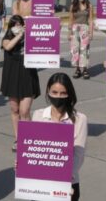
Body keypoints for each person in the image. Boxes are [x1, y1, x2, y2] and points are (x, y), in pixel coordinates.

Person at [32, 73, 88, 201]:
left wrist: (61, 177)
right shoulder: (38, 115)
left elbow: (78, 155)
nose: (58, 96)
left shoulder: (80, 119)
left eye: (63, 93)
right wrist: (23, 164)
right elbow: (33, 149)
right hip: (40, 183)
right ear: (48, 91)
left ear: (69, 94)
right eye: (55, 92)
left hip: (67, 183)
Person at [0, 15, 40, 151]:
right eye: (14, 25)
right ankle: (18, 138)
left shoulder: (29, 36)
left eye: (19, 24)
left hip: (27, 75)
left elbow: (45, 42)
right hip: (12, 76)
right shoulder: (6, 38)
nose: (17, 27)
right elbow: (8, 47)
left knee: (24, 110)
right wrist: (19, 35)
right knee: (15, 109)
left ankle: (27, 138)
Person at [68, 0, 94, 80]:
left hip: (85, 28)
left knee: (84, 50)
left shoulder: (89, 5)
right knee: (75, 49)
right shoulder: (73, 6)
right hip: (75, 29)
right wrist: (69, 32)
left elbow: (91, 19)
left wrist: (91, 32)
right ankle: (77, 69)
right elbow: (70, 19)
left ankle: (85, 69)